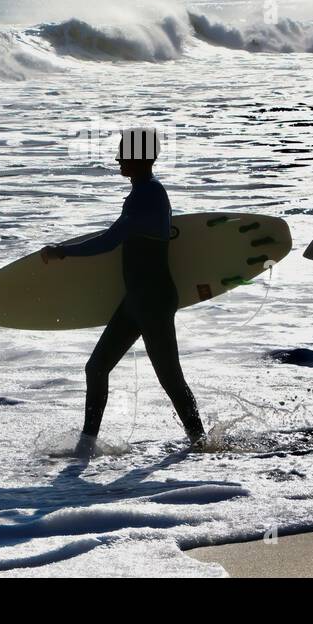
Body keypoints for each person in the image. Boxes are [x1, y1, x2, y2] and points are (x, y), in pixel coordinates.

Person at [40, 127, 205, 459]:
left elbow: (111, 240)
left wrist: (64, 251)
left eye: (123, 153)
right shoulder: (143, 193)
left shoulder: (149, 195)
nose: (118, 158)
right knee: (96, 368)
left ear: (139, 157)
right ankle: (86, 446)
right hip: (137, 300)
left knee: (170, 379)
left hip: (153, 300)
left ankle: (201, 443)